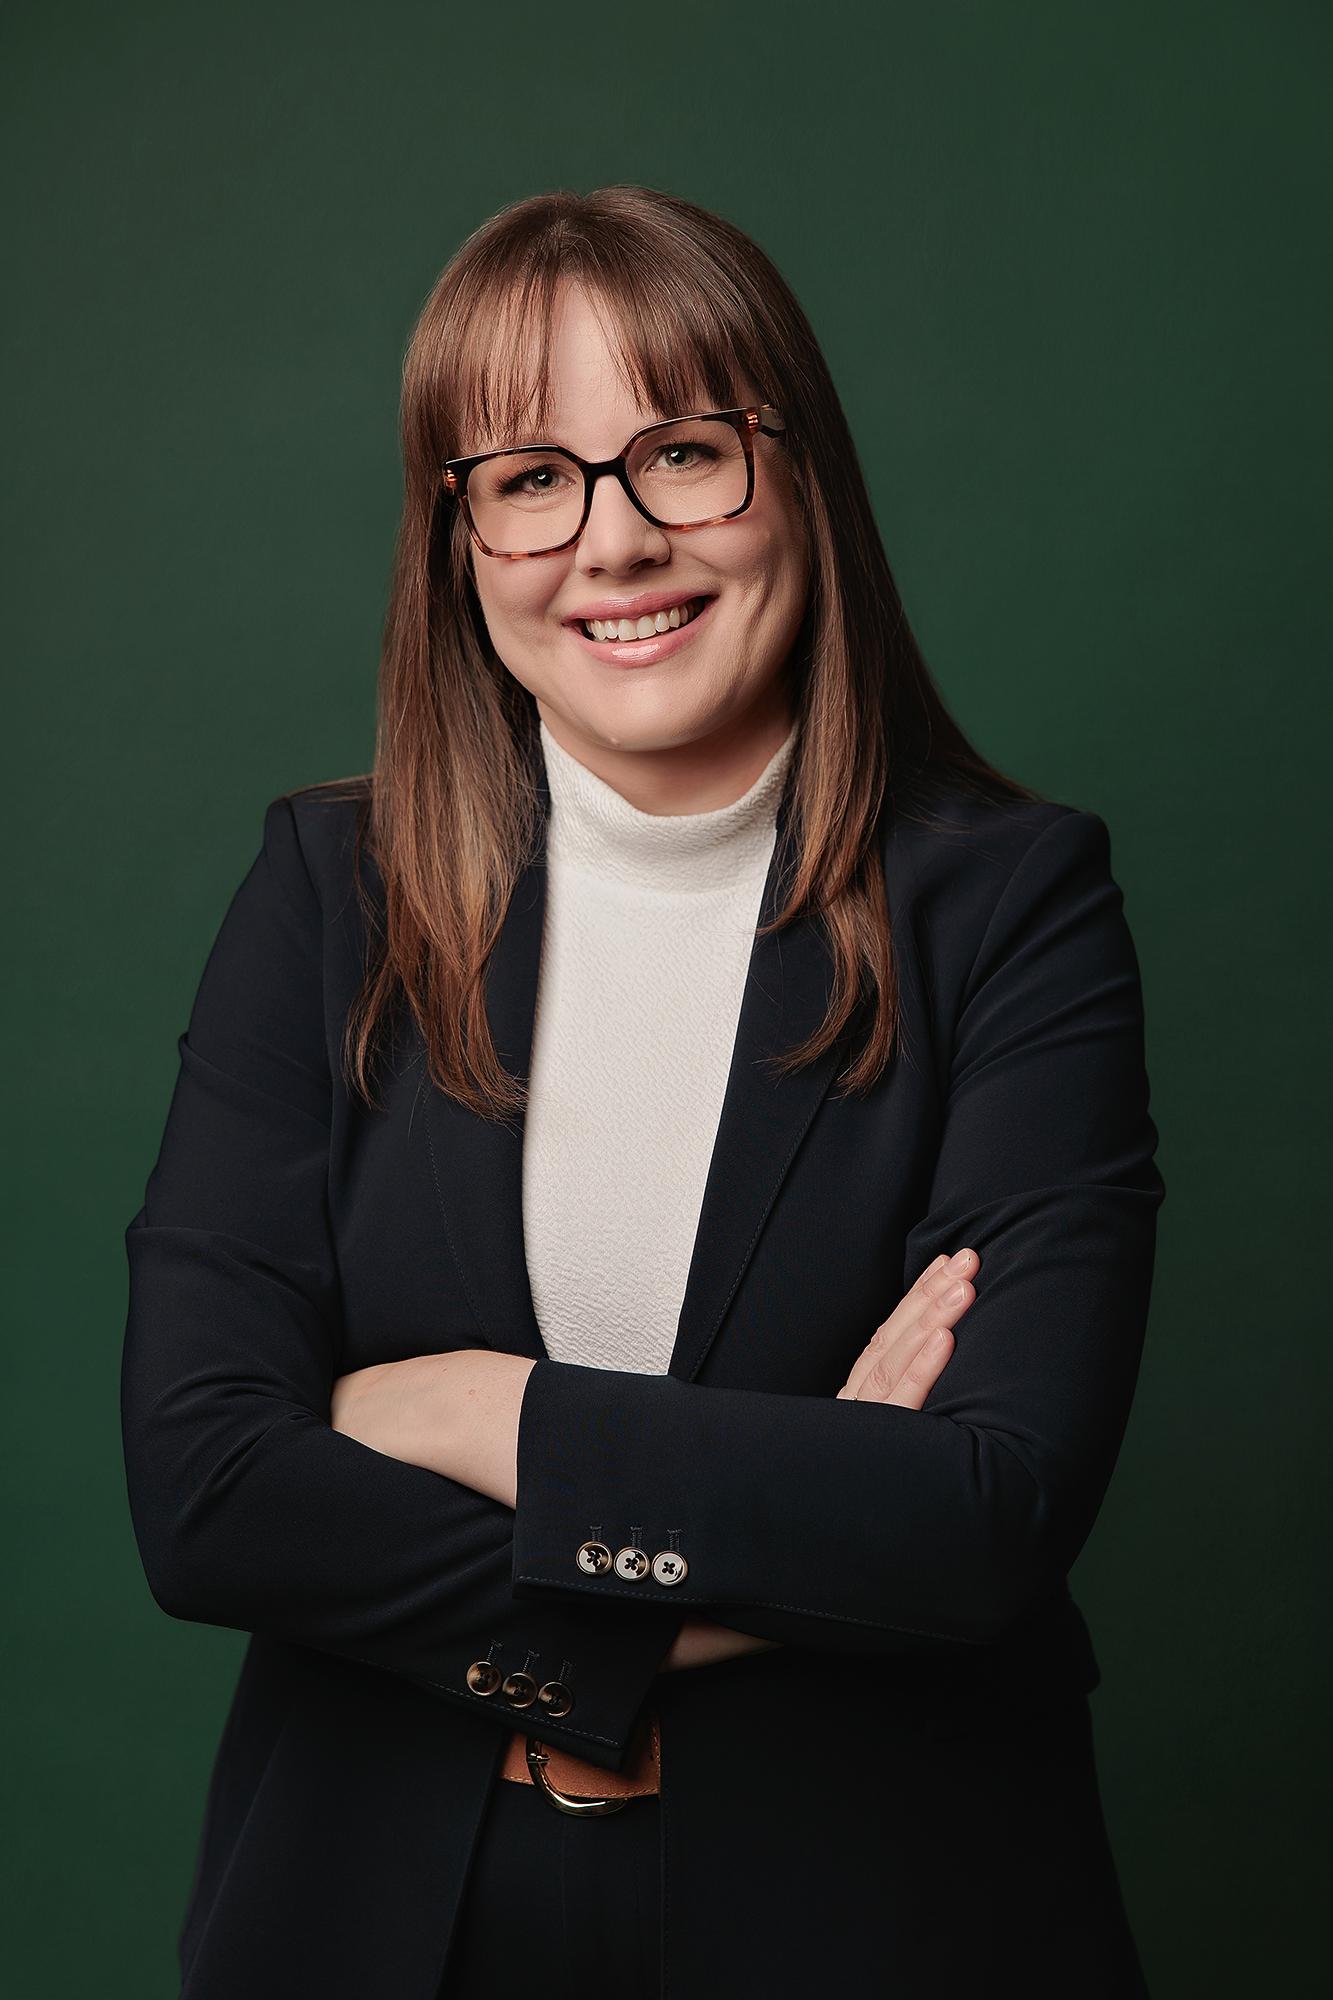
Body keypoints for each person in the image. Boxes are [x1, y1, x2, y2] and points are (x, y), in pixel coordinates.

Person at [120, 184, 1165, 1998]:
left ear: (800, 475)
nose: (608, 540)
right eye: (527, 477)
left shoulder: (1012, 903)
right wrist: (750, 1556)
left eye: (679, 451)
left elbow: (979, 1517)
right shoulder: (326, 895)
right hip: (373, 1920)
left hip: (885, 1921)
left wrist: (476, 1411)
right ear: (458, 537)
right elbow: (208, 1492)